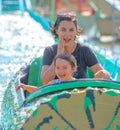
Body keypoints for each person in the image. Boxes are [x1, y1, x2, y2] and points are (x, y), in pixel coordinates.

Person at [41, 11, 110, 85]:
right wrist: (59, 54)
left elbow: (104, 74)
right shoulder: (49, 51)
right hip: (57, 94)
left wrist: (104, 74)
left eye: (71, 30)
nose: (67, 34)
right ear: (57, 31)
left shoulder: (84, 50)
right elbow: (46, 81)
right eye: (63, 30)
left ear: (76, 32)